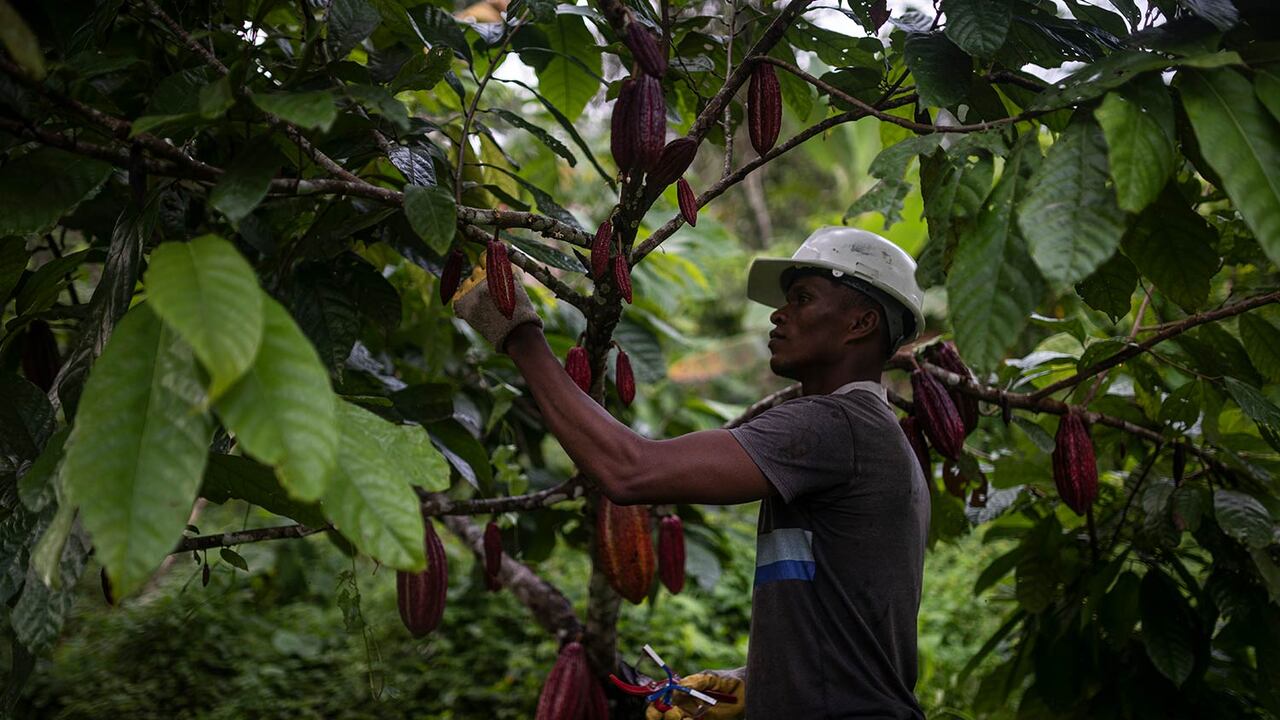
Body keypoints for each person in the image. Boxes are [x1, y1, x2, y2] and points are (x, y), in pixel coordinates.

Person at [454, 226, 930, 719]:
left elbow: (628, 471)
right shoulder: (876, 437)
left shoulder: (835, 425)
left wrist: (520, 334)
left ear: (862, 322)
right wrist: (753, 685)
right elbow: (855, 624)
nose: (778, 314)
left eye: (803, 299)